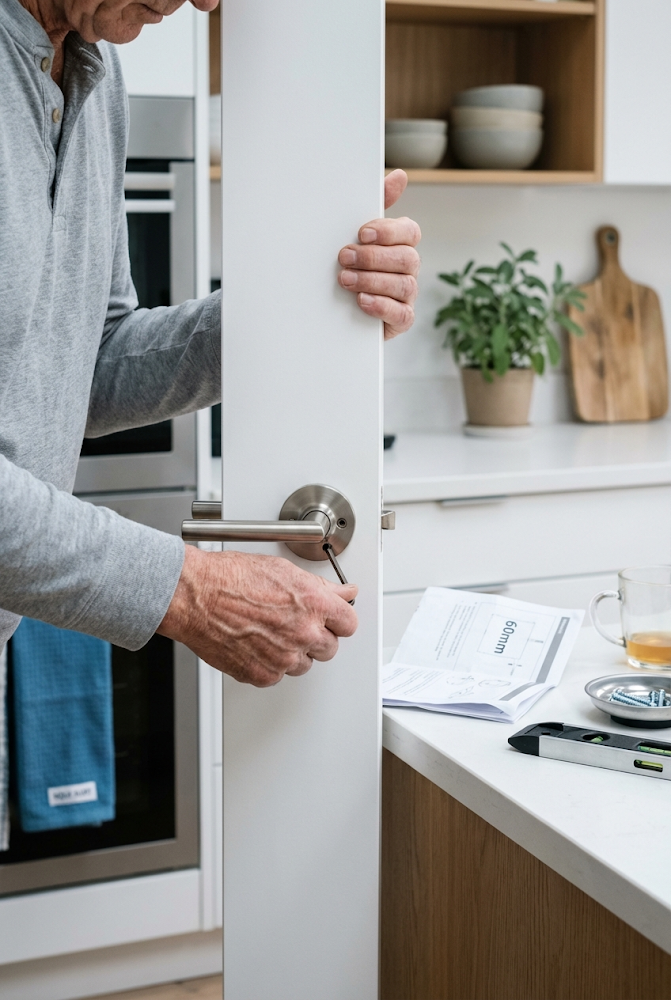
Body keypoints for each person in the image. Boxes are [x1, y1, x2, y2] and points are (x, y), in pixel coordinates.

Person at [0, 0, 421, 689]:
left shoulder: (93, 73)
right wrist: (187, 588)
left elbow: (87, 365)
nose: (204, 2)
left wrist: (307, 305)